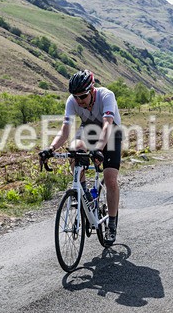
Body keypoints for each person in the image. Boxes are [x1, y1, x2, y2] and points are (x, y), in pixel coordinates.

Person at [43, 69, 122, 242]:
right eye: (76, 97)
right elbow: (65, 131)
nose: (79, 101)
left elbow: (107, 125)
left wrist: (98, 149)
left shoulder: (106, 96)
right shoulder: (72, 101)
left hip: (111, 132)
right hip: (89, 130)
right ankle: (84, 193)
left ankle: (112, 223)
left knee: (110, 179)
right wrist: (50, 148)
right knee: (74, 148)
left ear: (92, 90)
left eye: (83, 96)